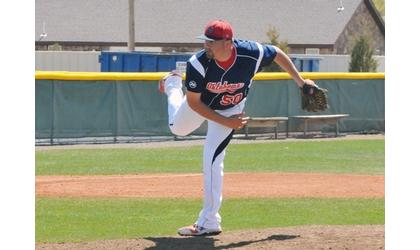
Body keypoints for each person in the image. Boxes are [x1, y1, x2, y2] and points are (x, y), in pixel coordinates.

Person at [159, 20, 316, 236]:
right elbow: (195, 103)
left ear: (228, 42)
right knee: (177, 128)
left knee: (212, 159)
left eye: (212, 42)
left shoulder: (250, 53)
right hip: (201, 105)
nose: (207, 45)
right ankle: (172, 84)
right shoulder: (197, 63)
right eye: (205, 41)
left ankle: (209, 221)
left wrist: (300, 82)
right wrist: (227, 123)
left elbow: (277, 53)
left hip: (230, 108)